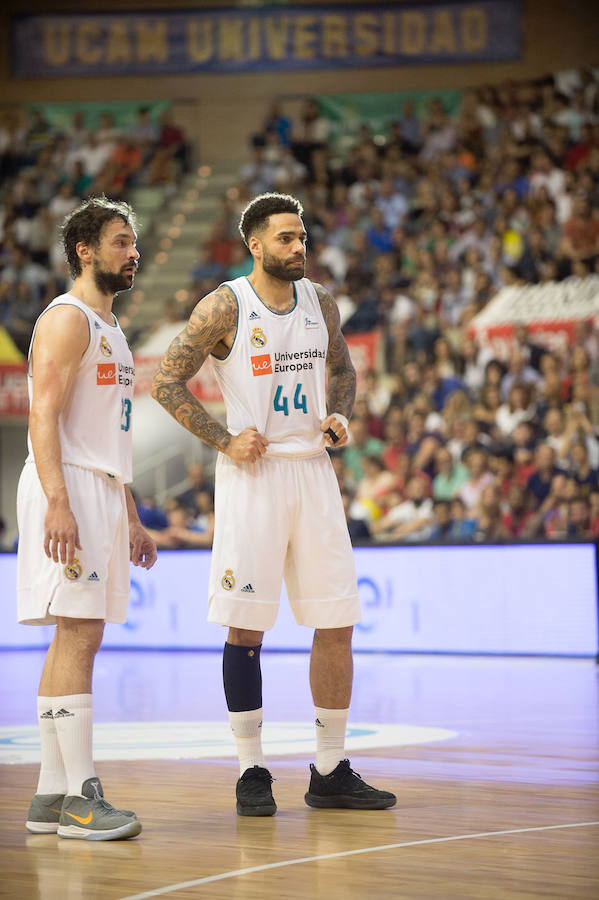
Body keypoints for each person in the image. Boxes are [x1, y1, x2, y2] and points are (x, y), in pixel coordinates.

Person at [152, 192, 395, 816]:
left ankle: (330, 769)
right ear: (255, 245)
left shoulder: (322, 302)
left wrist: (339, 412)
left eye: (302, 236)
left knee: (336, 621)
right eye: (286, 238)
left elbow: (343, 370)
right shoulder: (225, 306)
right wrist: (223, 439)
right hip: (253, 476)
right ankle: (250, 771)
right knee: (246, 627)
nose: (299, 247)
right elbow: (164, 380)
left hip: (313, 473)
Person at [17, 196, 157, 841]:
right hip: (66, 482)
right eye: (122, 242)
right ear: (85, 250)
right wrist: (58, 499)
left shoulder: (113, 327)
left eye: (133, 243)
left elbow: (110, 433)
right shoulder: (68, 319)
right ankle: (81, 797)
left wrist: (128, 512)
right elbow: (41, 415)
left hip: (97, 485)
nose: (133, 253)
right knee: (80, 632)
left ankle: (49, 795)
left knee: (72, 634)